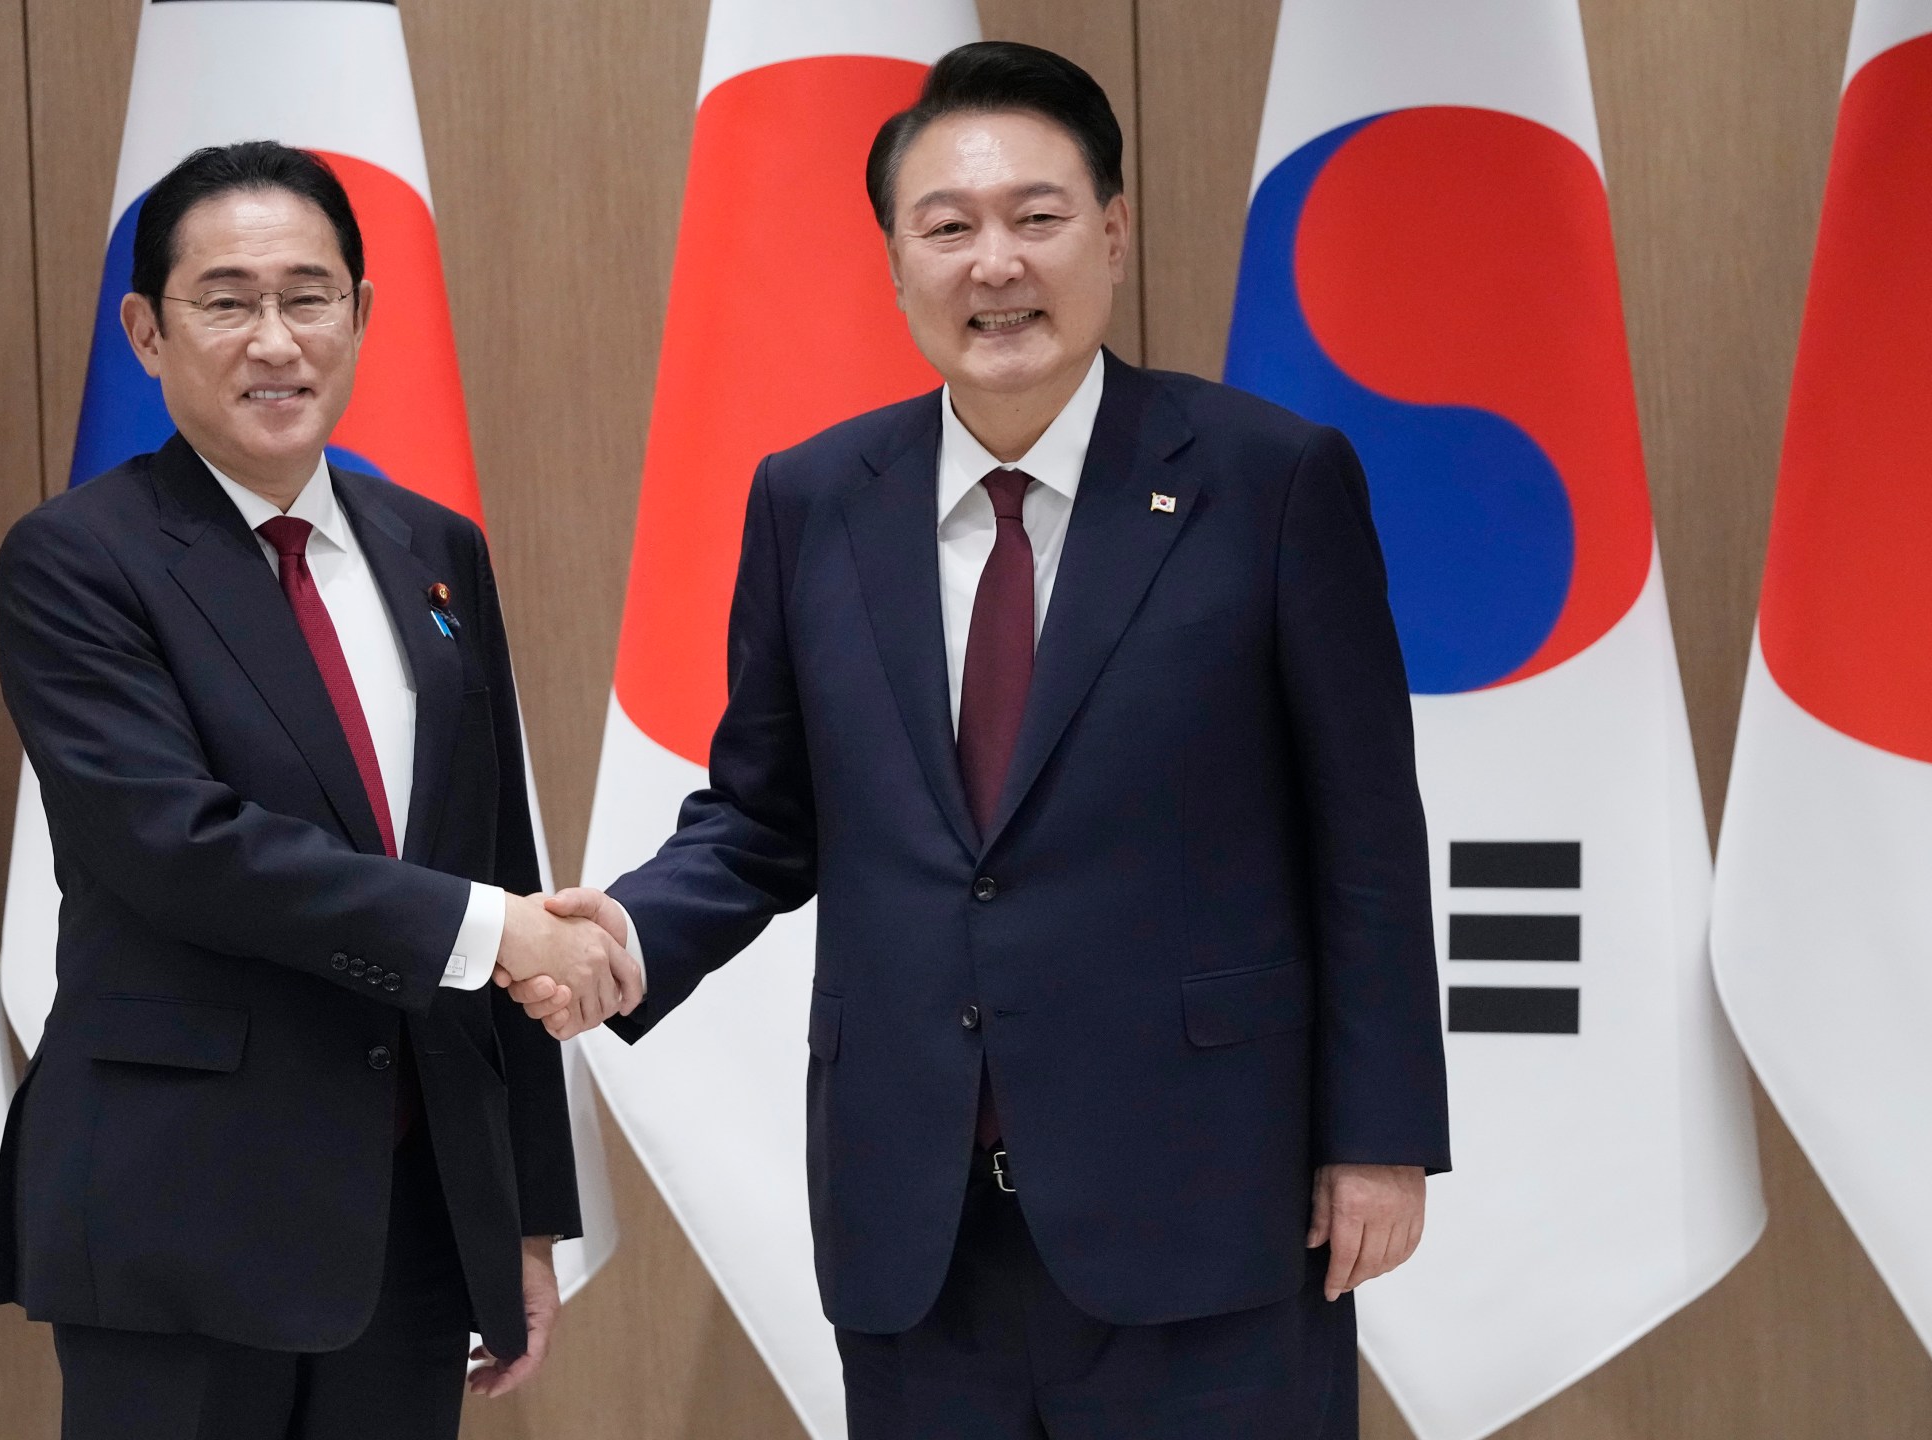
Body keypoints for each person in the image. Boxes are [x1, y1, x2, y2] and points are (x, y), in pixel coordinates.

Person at [537, 42, 1449, 1438]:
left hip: (1204, 1209)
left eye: (1038, 216)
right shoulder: (815, 499)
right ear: (894, 260)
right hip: (921, 1227)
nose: (994, 264)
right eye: (947, 226)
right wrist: (632, 935)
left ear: (1115, 232)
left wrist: (1380, 1142)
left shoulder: (1267, 482)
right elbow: (763, 812)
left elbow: (1366, 842)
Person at [0, 141, 640, 1440]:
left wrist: (518, 1212)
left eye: (310, 296)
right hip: (181, 1209)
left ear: (361, 313)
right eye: (227, 302)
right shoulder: (78, 561)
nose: (276, 341)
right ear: (147, 332)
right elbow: (176, 845)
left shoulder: (433, 551)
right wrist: (496, 929)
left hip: (406, 1213)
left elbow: (494, 850)